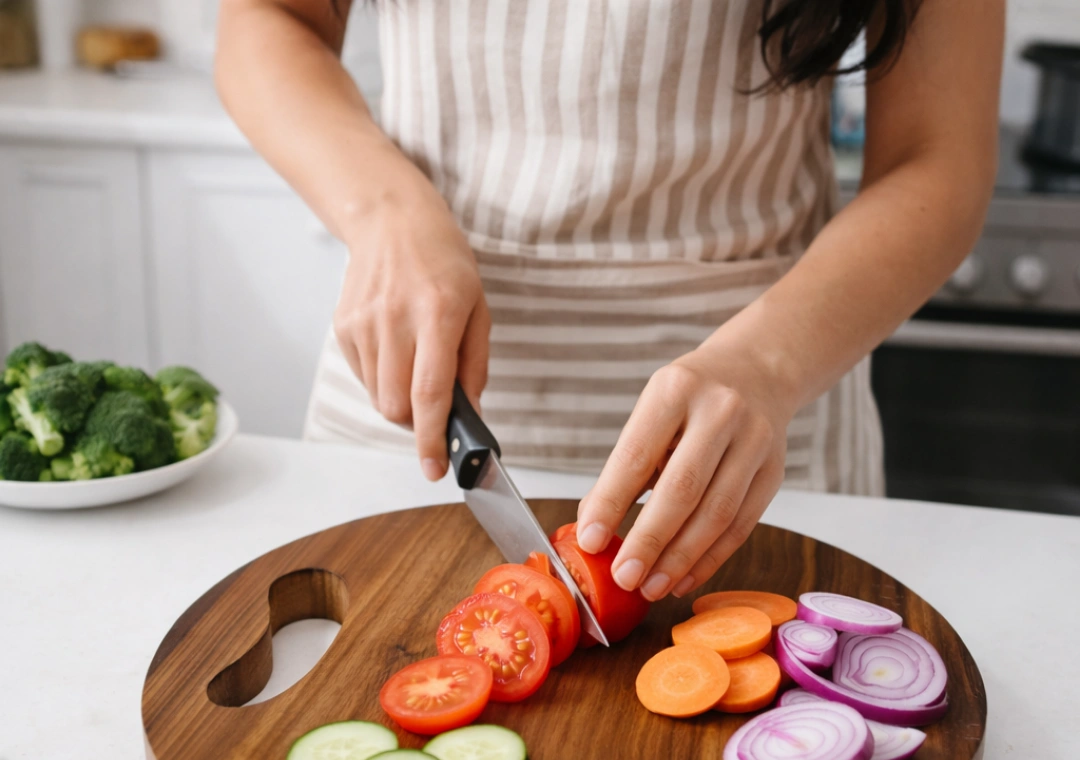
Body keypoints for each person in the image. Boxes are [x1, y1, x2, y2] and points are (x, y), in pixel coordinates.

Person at [217, 0, 1002, 602]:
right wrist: (384, 215)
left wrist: (768, 361)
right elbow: (267, 17)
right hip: (420, 392)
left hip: (760, 413)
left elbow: (938, 158)